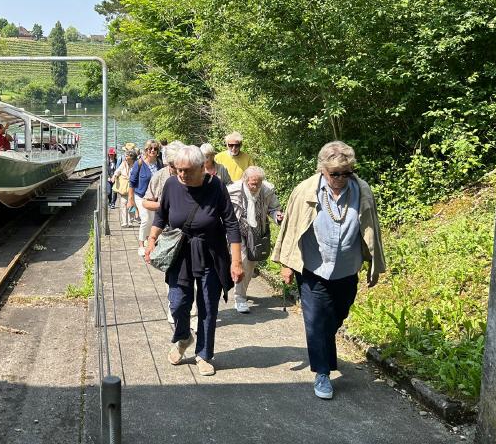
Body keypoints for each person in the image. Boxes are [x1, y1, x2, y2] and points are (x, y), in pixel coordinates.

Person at [272, 141, 385, 400]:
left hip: (347, 268)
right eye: (335, 174)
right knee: (315, 321)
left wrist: (374, 264)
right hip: (313, 268)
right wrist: (287, 264)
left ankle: (324, 342)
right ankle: (322, 373)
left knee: (337, 315)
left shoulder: (362, 190)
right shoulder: (305, 190)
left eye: (346, 173)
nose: (341, 179)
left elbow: (372, 230)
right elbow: (291, 228)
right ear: (322, 170)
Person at [145, 145, 244, 376]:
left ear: (202, 168)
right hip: (181, 253)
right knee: (177, 303)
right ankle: (183, 338)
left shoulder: (216, 186)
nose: (182, 174)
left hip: (211, 253)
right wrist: (151, 240)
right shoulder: (171, 185)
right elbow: (161, 216)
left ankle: (204, 354)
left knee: (208, 306)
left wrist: (236, 261)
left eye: (187, 170)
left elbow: (231, 224)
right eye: (178, 169)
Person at [227, 166, 284, 313]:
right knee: (243, 260)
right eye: (253, 184)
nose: (255, 187)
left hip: (257, 232)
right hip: (238, 232)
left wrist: (277, 216)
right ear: (245, 180)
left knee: (251, 264)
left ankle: (241, 290)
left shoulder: (267, 190)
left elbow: (274, 208)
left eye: (258, 183)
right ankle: (240, 298)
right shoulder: (233, 191)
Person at [128, 139, 163, 258]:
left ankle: (150, 241)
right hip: (141, 196)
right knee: (146, 219)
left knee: (153, 221)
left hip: (154, 197)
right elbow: (132, 182)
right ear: (146, 150)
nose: (152, 150)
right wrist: (131, 200)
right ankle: (141, 245)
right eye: (150, 148)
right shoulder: (139, 163)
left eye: (155, 149)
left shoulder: (159, 163)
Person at [111, 149, 139, 227]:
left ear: (132, 158)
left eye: (127, 157)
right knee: (123, 204)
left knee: (132, 204)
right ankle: (124, 221)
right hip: (124, 187)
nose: (126, 158)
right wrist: (114, 176)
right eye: (126, 157)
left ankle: (130, 220)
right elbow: (118, 171)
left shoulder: (137, 164)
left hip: (133, 188)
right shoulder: (123, 164)